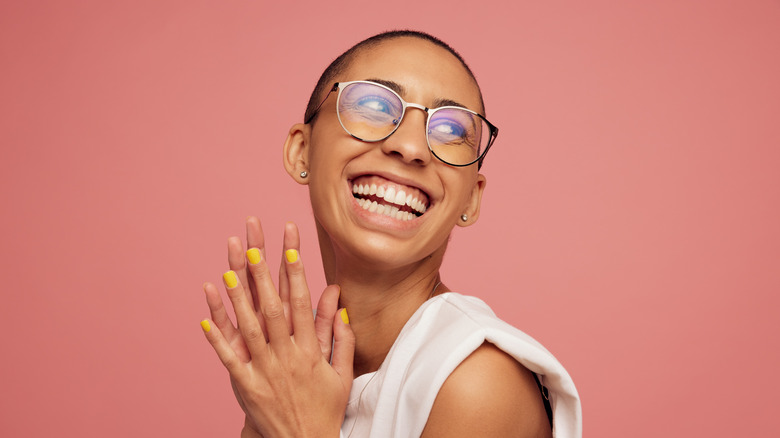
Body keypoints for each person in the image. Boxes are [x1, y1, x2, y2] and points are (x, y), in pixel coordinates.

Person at [200, 30, 582, 437]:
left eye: (452, 130)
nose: (411, 146)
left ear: (471, 198)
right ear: (301, 151)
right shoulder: (297, 370)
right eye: (373, 105)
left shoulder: (477, 382)